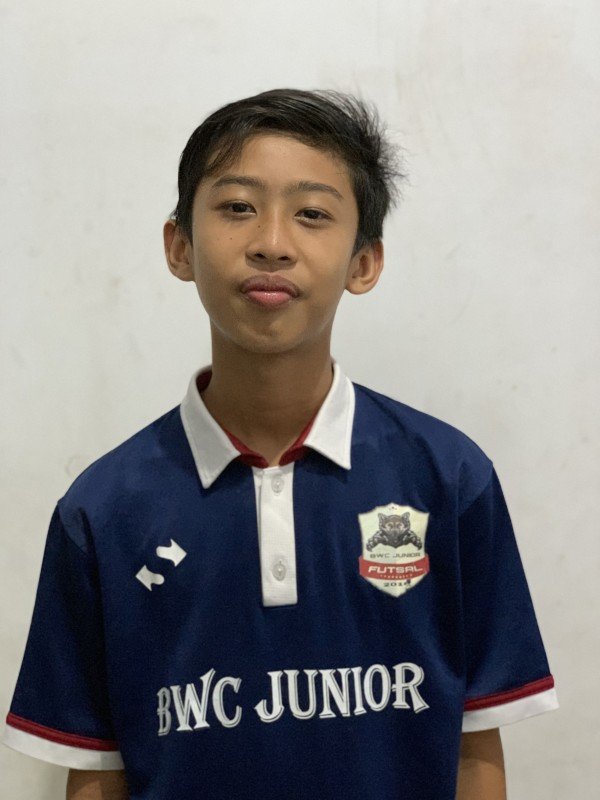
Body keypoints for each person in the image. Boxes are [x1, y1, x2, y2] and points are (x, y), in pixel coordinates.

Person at [1, 88, 558, 800]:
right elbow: (95, 772)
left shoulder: (448, 479)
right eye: (237, 207)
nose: (271, 242)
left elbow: (475, 746)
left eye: (312, 214)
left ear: (364, 262)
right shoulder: (104, 510)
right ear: (179, 246)